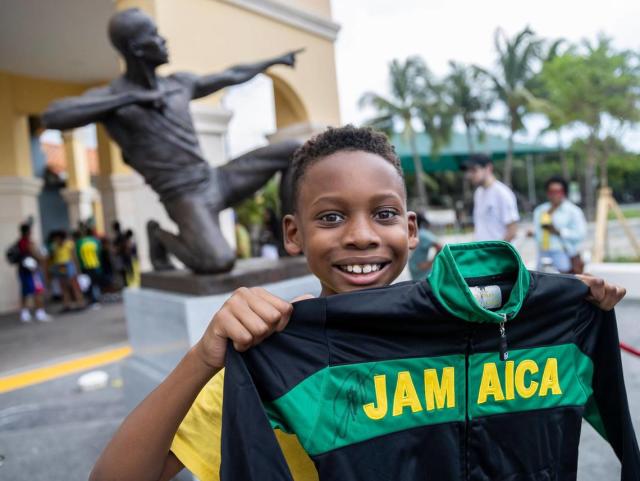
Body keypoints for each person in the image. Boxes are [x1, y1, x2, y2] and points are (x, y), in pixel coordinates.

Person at [89, 126, 627, 481]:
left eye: (385, 214)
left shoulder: (482, 329)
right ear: (293, 234)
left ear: (411, 230)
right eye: (331, 217)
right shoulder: (277, 357)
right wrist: (204, 357)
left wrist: (568, 306)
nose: (362, 236)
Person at [42, 8, 302, 274]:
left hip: (217, 180)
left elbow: (231, 75)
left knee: (294, 151)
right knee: (219, 262)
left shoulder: (179, 83)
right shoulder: (113, 98)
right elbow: (53, 116)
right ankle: (159, 237)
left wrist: (275, 61)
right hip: (184, 196)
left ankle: (290, 244)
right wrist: (131, 99)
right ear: (137, 48)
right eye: (154, 35)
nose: (163, 40)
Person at [532, 176, 587, 273]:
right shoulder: (540, 210)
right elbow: (537, 232)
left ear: (564, 193)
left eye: (558, 191)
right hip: (543, 254)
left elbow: (580, 234)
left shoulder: (573, 211)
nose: (554, 195)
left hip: (563, 254)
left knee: (563, 282)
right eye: (551, 192)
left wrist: (559, 231)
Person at [462, 154, 519, 242]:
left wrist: (496, 251)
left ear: (488, 168)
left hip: (498, 253)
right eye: (469, 171)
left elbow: (512, 230)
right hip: (483, 252)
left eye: (474, 170)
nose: (470, 175)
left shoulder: (502, 193)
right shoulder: (478, 193)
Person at [14, 222, 51, 322]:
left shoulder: (19, 242)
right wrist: (43, 258)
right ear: (29, 232)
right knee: (38, 291)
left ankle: (24, 313)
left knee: (25, 292)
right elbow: (35, 255)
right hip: (31, 271)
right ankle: (40, 312)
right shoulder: (29, 243)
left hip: (22, 270)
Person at [49, 230, 85, 311]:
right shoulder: (54, 246)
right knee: (63, 286)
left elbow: (74, 257)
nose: (56, 240)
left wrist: (77, 269)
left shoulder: (69, 244)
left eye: (57, 238)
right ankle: (66, 304)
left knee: (74, 285)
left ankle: (80, 303)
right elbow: (53, 257)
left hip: (68, 265)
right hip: (59, 266)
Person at [408, 212, 443, 279]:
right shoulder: (414, 234)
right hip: (417, 274)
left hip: (424, 275)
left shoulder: (422, 234)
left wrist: (430, 263)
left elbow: (440, 247)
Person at [76, 225, 103, 304]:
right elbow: (99, 252)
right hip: (96, 264)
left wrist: (79, 266)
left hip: (85, 265)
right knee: (95, 282)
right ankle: (97, 298)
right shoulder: (96, 241)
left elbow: (78, 255)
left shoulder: (80, 242)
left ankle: (92, 299)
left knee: (88, 283)